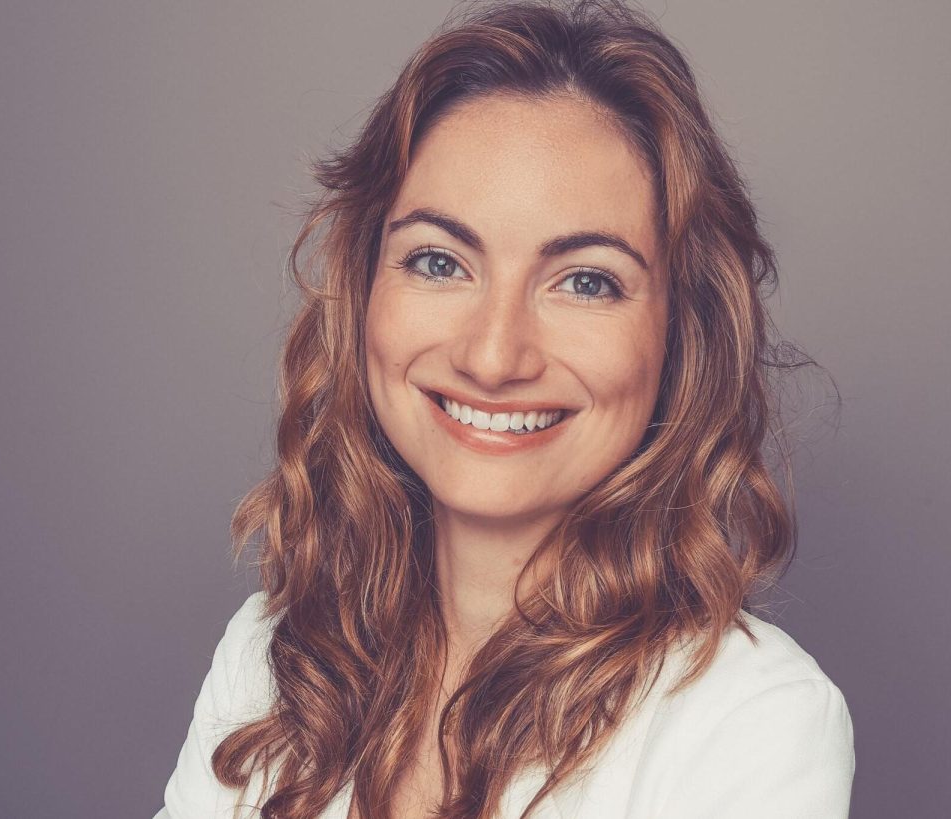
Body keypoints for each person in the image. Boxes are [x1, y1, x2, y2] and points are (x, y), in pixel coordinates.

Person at [154, 1, 855, 817]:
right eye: (439, 261)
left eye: (585, 280)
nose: (492, 356)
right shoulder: (269, 656)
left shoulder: (752, 723)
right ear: (365, 289)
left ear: (680, 334)